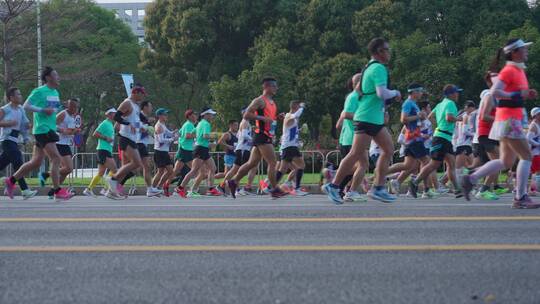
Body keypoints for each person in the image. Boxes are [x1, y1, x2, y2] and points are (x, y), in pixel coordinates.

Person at [462, 38, 539, 209]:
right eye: (523, 49)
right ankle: (520, 197)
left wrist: (526, 94)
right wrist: (517, 96)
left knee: (505, 162)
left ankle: (471, 178)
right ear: (514, 52)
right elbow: (495, 92)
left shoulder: (518, 71)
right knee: (526, 156)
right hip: (510, 119)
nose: (526, 51)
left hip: (508, 119)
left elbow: (513, 92)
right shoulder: (509, 70)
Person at [324, 37, 401, 204]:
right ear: (380, 52)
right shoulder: (379, 68)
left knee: (388, 149)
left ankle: (378, 188)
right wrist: (395, 93)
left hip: (371, 117)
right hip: (367, 118)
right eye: (387, 50)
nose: (389, 53)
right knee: (357, 153)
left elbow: (359, 92)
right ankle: (334, 185)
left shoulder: (368, 68)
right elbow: (381, 93)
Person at [4, 67, 73, 201]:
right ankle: (57, 190)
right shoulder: (39, 91)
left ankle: (11, 181)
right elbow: (26, 105)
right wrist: (42, 110)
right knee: (56, 159)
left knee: (36, 162)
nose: (58, 77)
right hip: (43, 129)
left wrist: (59, 107)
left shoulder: (55, 92)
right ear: (48, 78)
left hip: (50, 129)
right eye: (55, 75)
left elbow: (52, 109)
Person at [227, 77, 288, 199]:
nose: (276, 88)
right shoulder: (259, 100)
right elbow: (246, 114)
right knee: (273, 162)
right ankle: (274, 189)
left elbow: (268, 118)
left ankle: (233, 181)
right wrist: (262, 119)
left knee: (251, 163)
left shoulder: (272, 102)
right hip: (261, 135)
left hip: (265, 134)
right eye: (274, 86)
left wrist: (276, 117)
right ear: (267, 87)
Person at [408, 84, 463, 198]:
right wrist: (458, 118)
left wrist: (436, 125)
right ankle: (415, 182)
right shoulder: (450, 103)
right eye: (456, 92)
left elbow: (430, 116)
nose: (458, 94)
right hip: (443, 138)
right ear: (451, 94)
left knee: (451, 164)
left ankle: (458, 190)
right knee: (434, 164)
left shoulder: (440, 104)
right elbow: (449, 117)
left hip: (442, 137)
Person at [386, 83, 430, 197]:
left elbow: (414, 120)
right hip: (414, 138)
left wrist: (420, 118)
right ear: (414, 92)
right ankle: (426, 190)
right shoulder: (408, 103)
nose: (421, 93)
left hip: (413, 137)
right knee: (426, 162)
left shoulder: (413, 104)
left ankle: (390, 177)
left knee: (408, 165)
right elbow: (403, 119)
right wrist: (418, 117)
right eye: (419, 91)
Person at [106, 84, 146, 196]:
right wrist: (128, 124)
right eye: (142, 94)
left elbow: (135, 120)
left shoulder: (136, 106)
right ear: (136, 93)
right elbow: (117, 117)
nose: (143, 97)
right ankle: (113, 179)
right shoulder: (127, 102)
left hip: (132, 138)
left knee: (128, 167)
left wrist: (142, 127)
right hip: (125, 137)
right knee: (137, 163)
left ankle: (111, 191)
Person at [335, 73, 369, 202]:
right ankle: (351, 191)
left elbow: (339, 123)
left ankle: (337, 184)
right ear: (359, 82)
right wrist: (365, 117)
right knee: (363, 165)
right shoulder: (353, 97)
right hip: (353, 138)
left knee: (358, 165)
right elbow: (347, 114)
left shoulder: (359, 97)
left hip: (352, 137)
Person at [0, 87, 37, 199]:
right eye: (18, 94)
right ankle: (24, 190)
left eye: (20, 94)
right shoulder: (4, 109)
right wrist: (8, 123)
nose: (20, 96)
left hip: (15, 139)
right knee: (18, 162)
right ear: (11, 97)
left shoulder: (21, 109)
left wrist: (27, 128)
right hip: (6, 140)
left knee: (3, 163)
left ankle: (12, 184)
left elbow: (24, 123)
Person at [177, 107, 221, 197]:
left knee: (213, 168)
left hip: (202, 148)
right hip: (200, 149)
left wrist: (205, 142)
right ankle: (180, 188)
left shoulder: (199, 123)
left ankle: (211, 189)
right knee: (194, 171)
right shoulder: (205, 124)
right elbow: (205, 136)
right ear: (206, 115)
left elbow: (194, 134)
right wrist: (215, 136)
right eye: (211, 114)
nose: (212, 116)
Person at [83, 107, 121, 199]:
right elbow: (95, 134)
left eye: (115, 113)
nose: (115, 115)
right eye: (113, 113)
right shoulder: (104, 123)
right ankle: (108, 190)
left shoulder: (111, 124)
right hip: (103, 150)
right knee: (115, 170)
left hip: (106, 150)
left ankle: (89, 189)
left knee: (101, 173)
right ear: (108, 114)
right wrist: (106, 138)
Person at [219, 108, 257, 196]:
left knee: (235, 170)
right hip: (243, 149)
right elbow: (243, 135)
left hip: (241, 149)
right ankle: (245, 187)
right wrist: (254, 140)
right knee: (251, 167)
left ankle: (222, 185)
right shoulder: (245, 122)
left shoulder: (244, 123)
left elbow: (239, 135)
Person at [276, 101, 308, 196]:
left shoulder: (290, 118)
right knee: (301, 165)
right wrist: (302, 107)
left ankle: (271, 187)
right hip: (290, 146)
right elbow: (296, 115)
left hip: (289, 146)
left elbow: (291, 131)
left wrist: (299, 130)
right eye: (298, 107)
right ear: (295, 107)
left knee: (282, 169)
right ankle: (297, 188)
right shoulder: (289, 115)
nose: (299, 109)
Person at [167, 109, 197, 196]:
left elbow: (179, 134)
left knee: (176, 171)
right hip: (186, 150)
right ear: (189, 116)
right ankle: (189, 190)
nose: (195, 116)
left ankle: (166, 185)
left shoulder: (186, 124)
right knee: (194, 170)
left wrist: (181, 142)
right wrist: (197, 135)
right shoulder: (189, 125)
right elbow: (188, 136)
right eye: (194, 115)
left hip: (183, 149)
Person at [55, 98, 80, 194]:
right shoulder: (63, 114)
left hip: (66, 144)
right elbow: (52, 124)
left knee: (66, 171)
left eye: (76, 106)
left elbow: (70, 131)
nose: (74, 108)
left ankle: (55, 190)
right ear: (68, 106)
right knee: (68, 168)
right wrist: (62, 131)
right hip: (59, 143)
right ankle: (47, 175)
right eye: (72, 106)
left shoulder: (73, 116)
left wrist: (75, 132)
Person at [152, 108, 176, 194]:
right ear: (159, 116)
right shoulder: (159, 126)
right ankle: (153, 188)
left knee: (170, 171)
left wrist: (174, 133)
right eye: (165, 114)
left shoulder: (163, 125)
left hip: (163, 152)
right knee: (160, 171)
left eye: (166, 114)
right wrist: (172, 139)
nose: (166, 116)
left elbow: (169, 133)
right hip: (160, 151)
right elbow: (161, 140)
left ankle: (158, 187)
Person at [528, 107, 540, 194]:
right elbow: (528, 139)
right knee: (536, 171)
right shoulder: (533, 126)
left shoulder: (538, 124)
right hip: (534, 152)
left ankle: (532, 189)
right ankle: (532, 190)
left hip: (537, 151)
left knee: (535, 171)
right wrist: (538, 144)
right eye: (539, 114)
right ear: (534, 116)